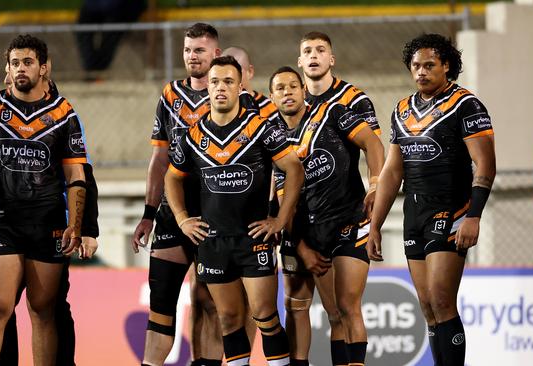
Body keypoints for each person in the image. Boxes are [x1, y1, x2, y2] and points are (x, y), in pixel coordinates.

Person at [165, 56, 304, 366]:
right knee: (228, 319)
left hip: (253, 239)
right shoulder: (194, 135)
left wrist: (280, 219)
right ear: (208, 88)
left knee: (264, 315)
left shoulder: (260, 128)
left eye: (228, 82)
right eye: (215, 82)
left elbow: (294, 169)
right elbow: (172, 176)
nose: (220, 88)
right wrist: (182, 218)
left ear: (240, 86)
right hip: (213, 241)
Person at [367, 33, 496, 366]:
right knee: (427, 307)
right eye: (415, 66)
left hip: (452, 210)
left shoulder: (466, 104)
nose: (421, 72)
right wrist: (375, 226)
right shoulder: (401, 110)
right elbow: (392, 172)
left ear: (447, 66)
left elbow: (485, 163)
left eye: (429, 65)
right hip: (415, 214)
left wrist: (475, 215)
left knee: (441, 301)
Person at [0, 34, 88, 364]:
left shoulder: (64, 114)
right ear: (7, 68)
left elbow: (76, 177)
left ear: (44, 67)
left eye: (27, 62)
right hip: (4, 222)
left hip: (49, 223)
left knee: (43, 311)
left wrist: (76, 223)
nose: (20, 69)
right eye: (14, 63)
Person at [269, 64, 383, 366]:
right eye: (280, 88)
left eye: (293, 86)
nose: (287, 92)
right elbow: (284, 201)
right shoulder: (271, 140)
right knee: (300, 306)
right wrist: (303, 247)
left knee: (345, 308)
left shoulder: (332, 113)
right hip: (305, 234)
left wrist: (375, 186)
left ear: (303, 90)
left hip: (348, 222)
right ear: (271, 97)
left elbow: (372, 142)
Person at [131, 23, 223, 366]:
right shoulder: (170, 95)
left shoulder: (235, 99)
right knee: (162, 304)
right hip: (173, 212)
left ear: (215, 53)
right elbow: (159, 159)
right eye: (186, 50)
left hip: (217, 214)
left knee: (212, 302)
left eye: (198, 50)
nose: (191, 57)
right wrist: (147, 213)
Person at [75, 0, 147, 75]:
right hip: (99, 7)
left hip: (116, 9)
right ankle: (94, 71)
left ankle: (96, 72)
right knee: (85, 31)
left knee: (110, 34)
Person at [222, 46, 278, 120]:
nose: (229, 78)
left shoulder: (272, 111)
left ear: (250, 72)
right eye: (223, 73)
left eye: (236, 72)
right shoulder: (211, 110)